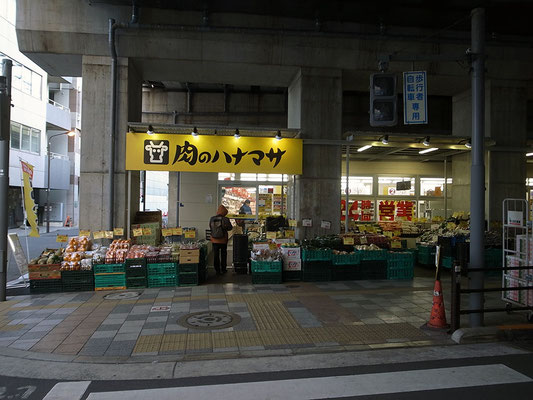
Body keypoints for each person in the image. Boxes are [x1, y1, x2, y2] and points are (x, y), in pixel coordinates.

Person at [209, 204, 233, 275]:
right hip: (223, 240)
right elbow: (230, 228)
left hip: (214, 239)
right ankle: (223, 269)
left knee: (216, 255)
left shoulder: (212, 218)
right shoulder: (225, 219)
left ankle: (217, 270)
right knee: (223, 254)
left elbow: (210, 226)